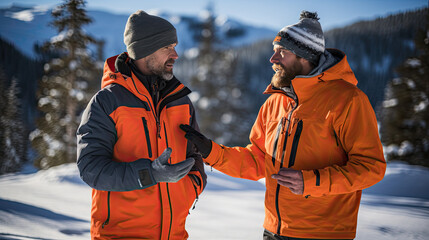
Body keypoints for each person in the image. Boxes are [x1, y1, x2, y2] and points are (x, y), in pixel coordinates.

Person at [180, 11, 386, 240]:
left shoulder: (348, 100)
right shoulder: (275, 102)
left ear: (305, 57)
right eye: (274, 51)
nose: (273, 59)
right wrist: (212, 152)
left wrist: (312, 181)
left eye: (282, 52)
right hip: (274, 230)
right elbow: (258, 160)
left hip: (323, 234)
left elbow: (371, 167)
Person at [76, 10, 207, 240]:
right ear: (146, 50)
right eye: (168, 47)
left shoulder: (180, 100)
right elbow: (90, 168)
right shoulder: (108, 101)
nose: (175, 55)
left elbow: (195, 154)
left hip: (174, 235)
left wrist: (192, 186)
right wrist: (149, 174)